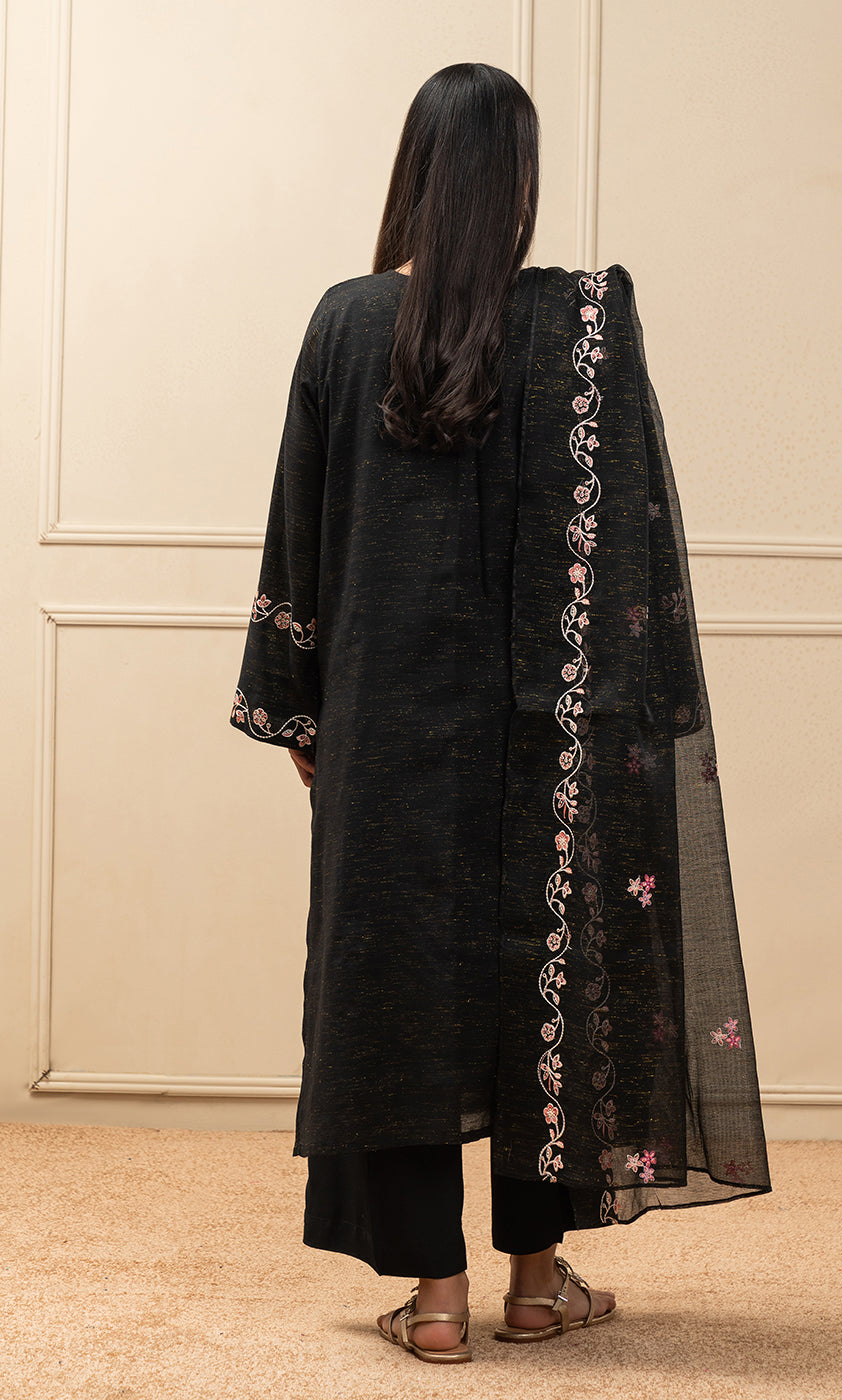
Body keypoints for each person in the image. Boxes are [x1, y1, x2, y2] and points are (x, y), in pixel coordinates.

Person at [230, 62, 771, 1366]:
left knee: (398, 988)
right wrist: (631, 727)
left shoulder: (347, 320)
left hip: (384, 732)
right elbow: (631, 548)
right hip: (555, 742)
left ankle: (434, 1302)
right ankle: (535, 1283)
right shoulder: (580, 324)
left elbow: (303, 533)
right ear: (517, 181)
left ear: (414, 173)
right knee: (551, 975)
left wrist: (302, 714)